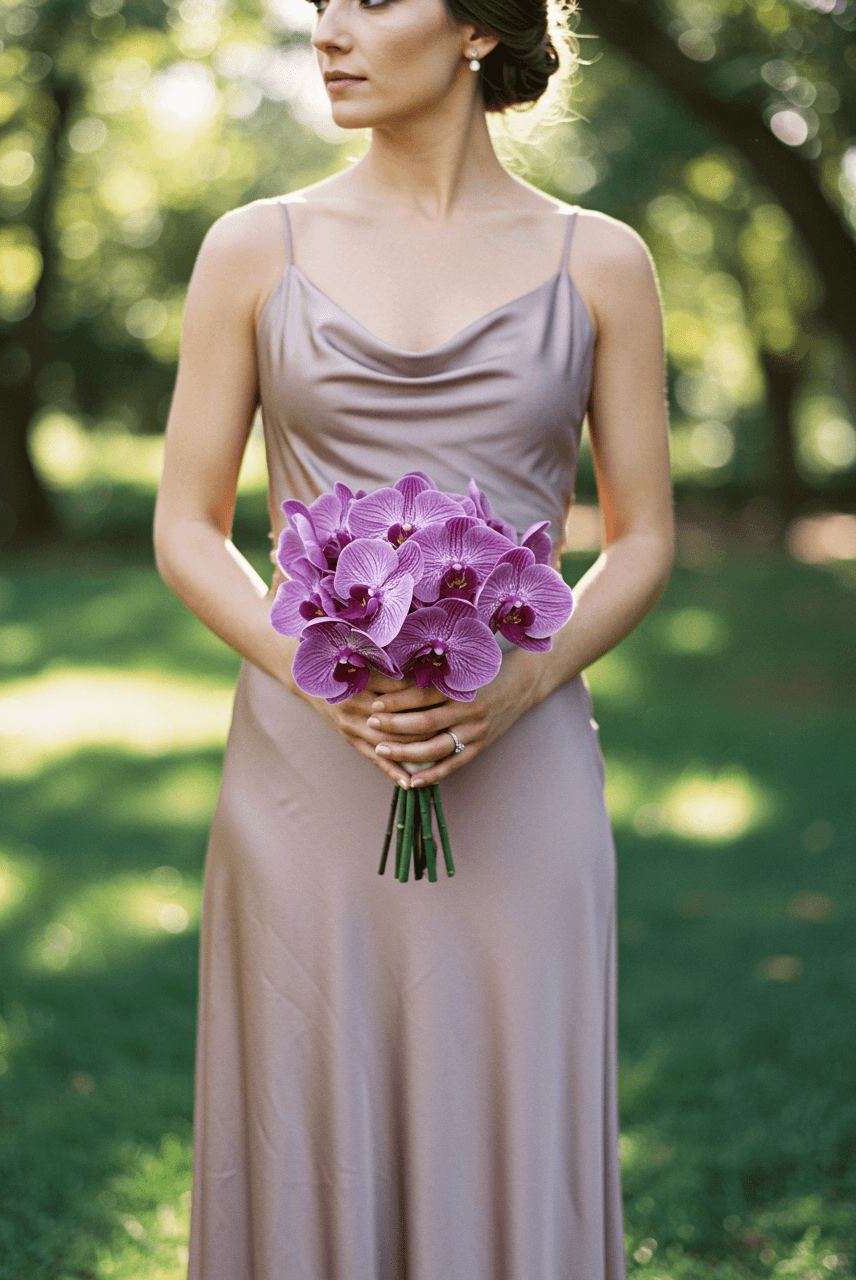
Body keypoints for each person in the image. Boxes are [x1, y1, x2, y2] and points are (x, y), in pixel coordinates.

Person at [153, 0, 674, 1271]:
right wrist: (325, 682)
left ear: (479, 29)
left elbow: (646, 536)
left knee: (510, 1097)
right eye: (321, 2)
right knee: (305, 1117)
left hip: (525, 755)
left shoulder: (599, 261)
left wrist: (523, 680)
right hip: (301, 759)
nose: (326, 29)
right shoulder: (250, 247)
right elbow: (184, 524)